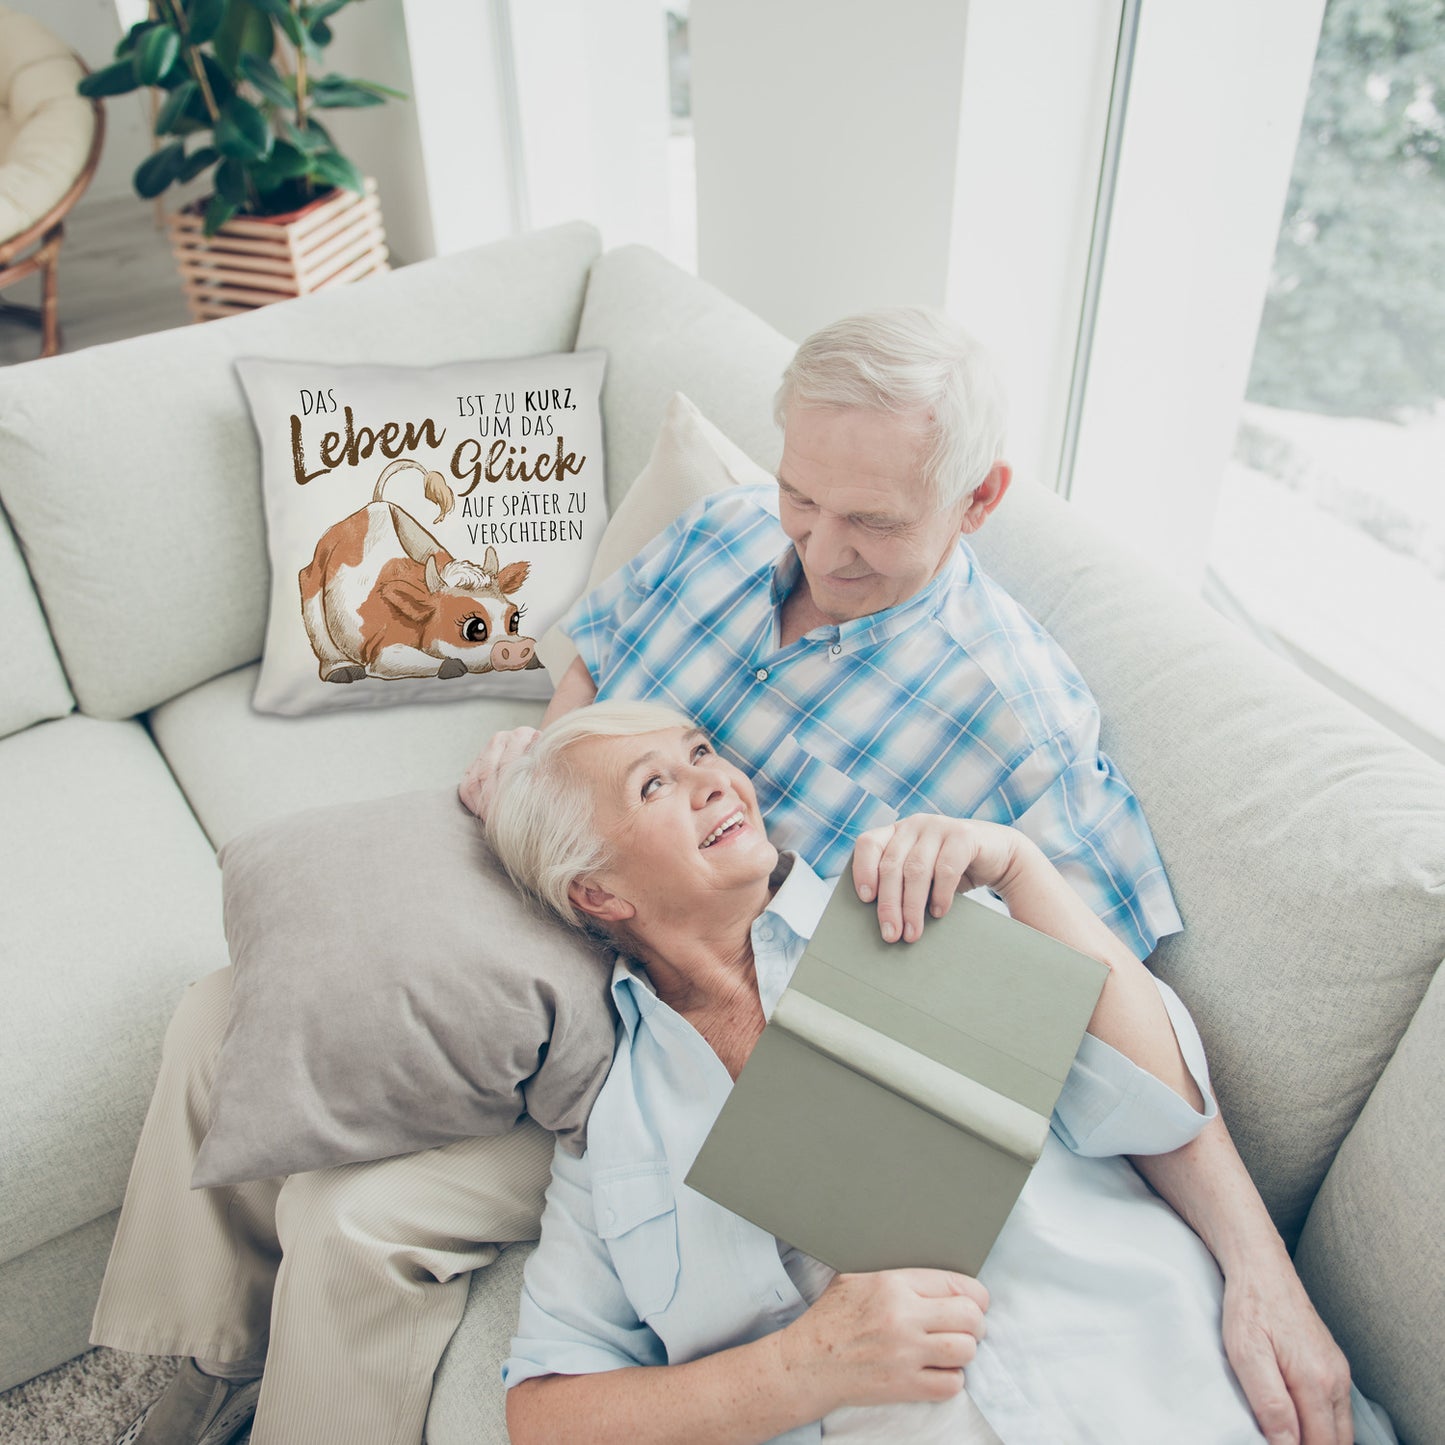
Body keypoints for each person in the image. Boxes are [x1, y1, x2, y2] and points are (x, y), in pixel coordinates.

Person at [94, 310, 1348, 1445]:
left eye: (871, 521)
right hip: (582, 888)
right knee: (229, 1007)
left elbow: (1103, 1022)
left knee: (355, 1218)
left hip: (693, 1013)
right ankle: (194, 1362)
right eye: (804, 495)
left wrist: (1259, 1266)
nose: (818, 545)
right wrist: (545, 764)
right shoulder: (725, 532)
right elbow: (592, 670)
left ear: (976, 501)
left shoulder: (1016, 724)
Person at [486, 700, 1383, 1445]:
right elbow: (545, 1412)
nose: (714, 779)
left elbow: (1158, 1105)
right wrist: (802, 1367)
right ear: (597, 893)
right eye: (655, 784)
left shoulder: (909, 907)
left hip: (1175, 1391)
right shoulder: (614, 1132)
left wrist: (1021, 869)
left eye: (700, 752)